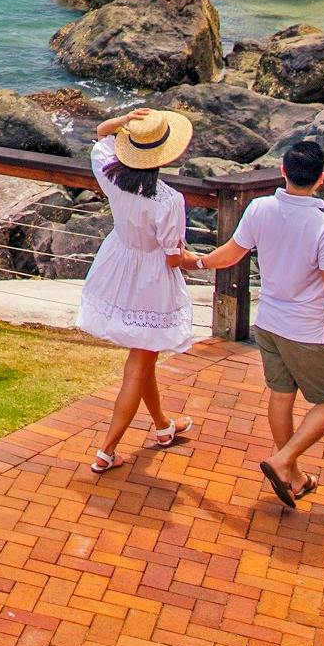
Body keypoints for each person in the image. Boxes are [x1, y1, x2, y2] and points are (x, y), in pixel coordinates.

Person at [182, 134, 324, 508]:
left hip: (268, 323)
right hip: (308, 330)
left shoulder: (259, 209)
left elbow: (231, 254)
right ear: (321, 179)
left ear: (282, 171)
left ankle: (292, 475)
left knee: (281, 395)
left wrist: (196, 261)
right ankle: (283, 460)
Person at [77, 105, 199, 473]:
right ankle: (107, 449)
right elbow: (173, 256)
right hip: (150, 281)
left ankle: (163, 426)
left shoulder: (110, 174)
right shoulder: (168, 201)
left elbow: (100, 135)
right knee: (139, 363)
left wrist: (122, 121)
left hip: (118, 264)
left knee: (145, 358)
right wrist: (201, 260)